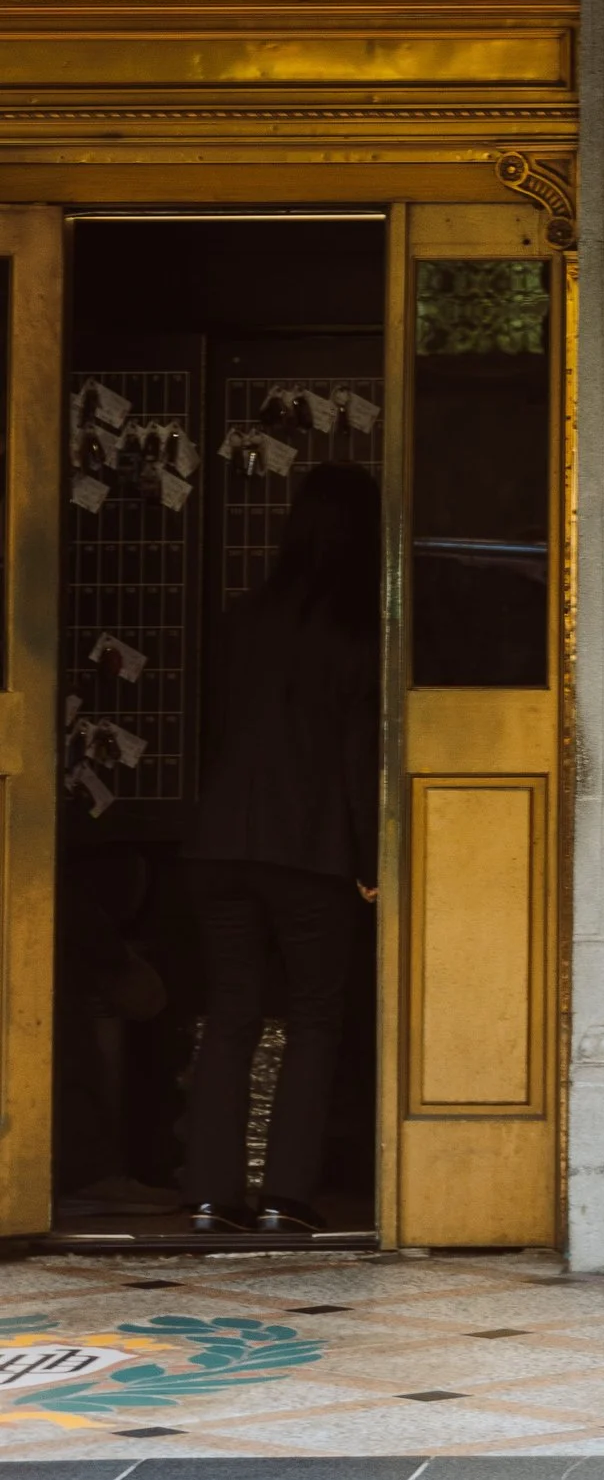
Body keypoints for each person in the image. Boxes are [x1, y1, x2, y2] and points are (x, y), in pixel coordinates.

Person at [182, 462, 383, 1233]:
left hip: (217, 845)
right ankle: (286, 1194)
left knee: (229, 1014)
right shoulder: (359, 631)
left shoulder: (240, 619)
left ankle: (208, 1192)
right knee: (314, 1018)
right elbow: (356, 756)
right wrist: (371, 862)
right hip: (311, 851)